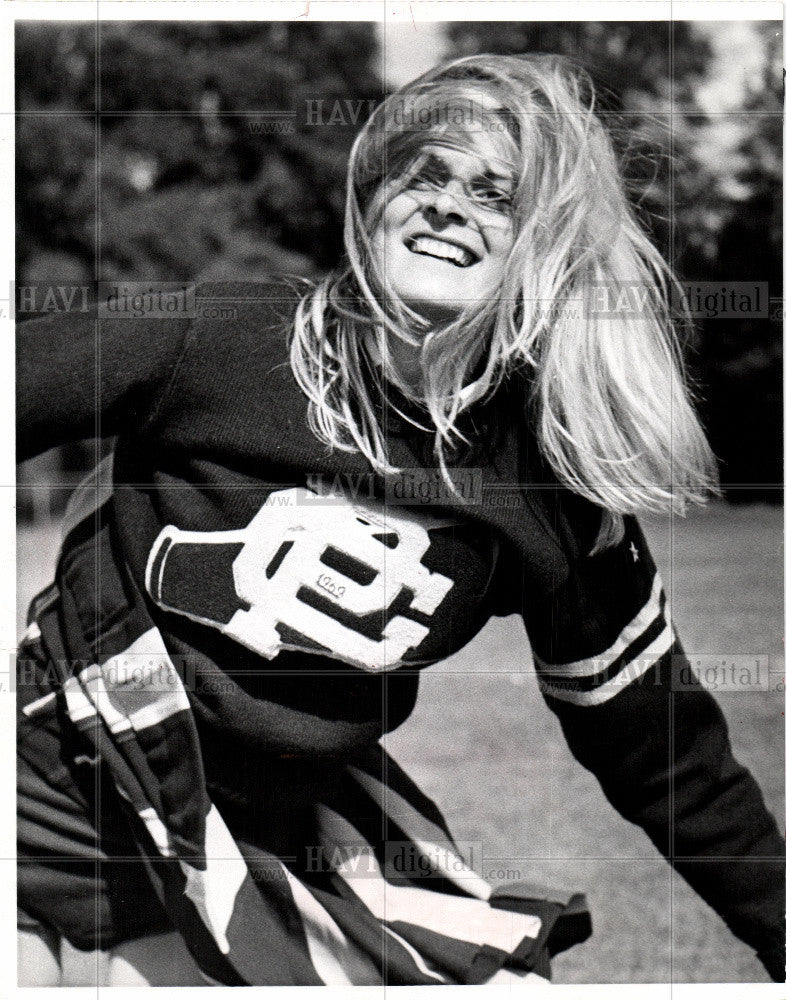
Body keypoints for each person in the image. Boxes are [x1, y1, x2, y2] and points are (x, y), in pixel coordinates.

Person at [16, 53, 784, 986]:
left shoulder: (551, 482)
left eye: (495, 195)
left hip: (266, 838)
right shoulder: (220, 342)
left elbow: (666, 760)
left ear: (545, 247)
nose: (448, 205)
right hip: (55, 777)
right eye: (423, 174)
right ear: (371, 205)